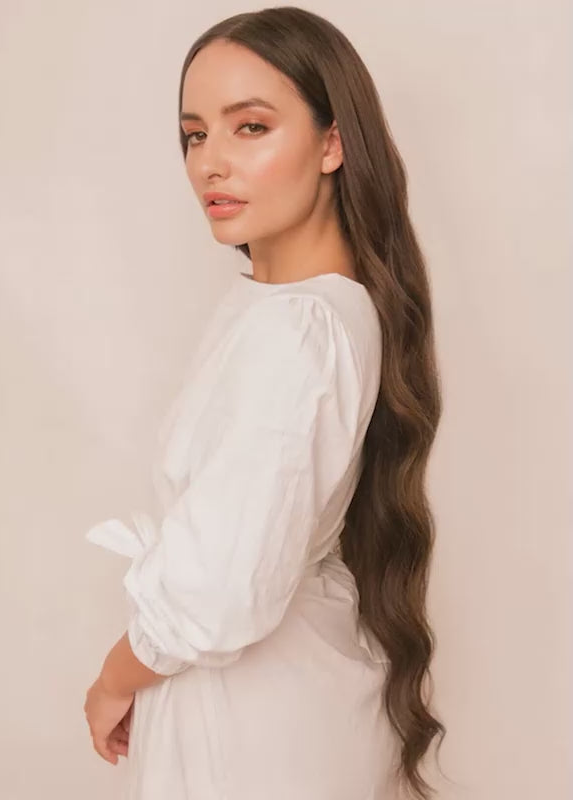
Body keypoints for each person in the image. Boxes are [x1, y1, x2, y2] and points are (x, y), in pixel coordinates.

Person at [83, 7, 447, 800]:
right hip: (267, 700)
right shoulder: (293, 309)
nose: (210, 163)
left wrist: (116, 675)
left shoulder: (298, 330)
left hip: (255, 723)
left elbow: (218, 585)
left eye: (250, 127)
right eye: (194, 135)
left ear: (332, 143)